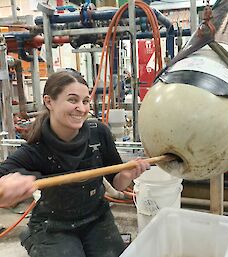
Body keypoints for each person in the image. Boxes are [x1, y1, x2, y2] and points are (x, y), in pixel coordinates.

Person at [0, 69, 150, 257]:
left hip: (97, 217)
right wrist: (6, 186)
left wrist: (128, 174)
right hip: (54, 224)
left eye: (85, 101)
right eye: (72, 100)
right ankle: (32, 237)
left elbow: (116, 182)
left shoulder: (99, 133)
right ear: (49, 102)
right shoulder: (37, 148)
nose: (82, 108)